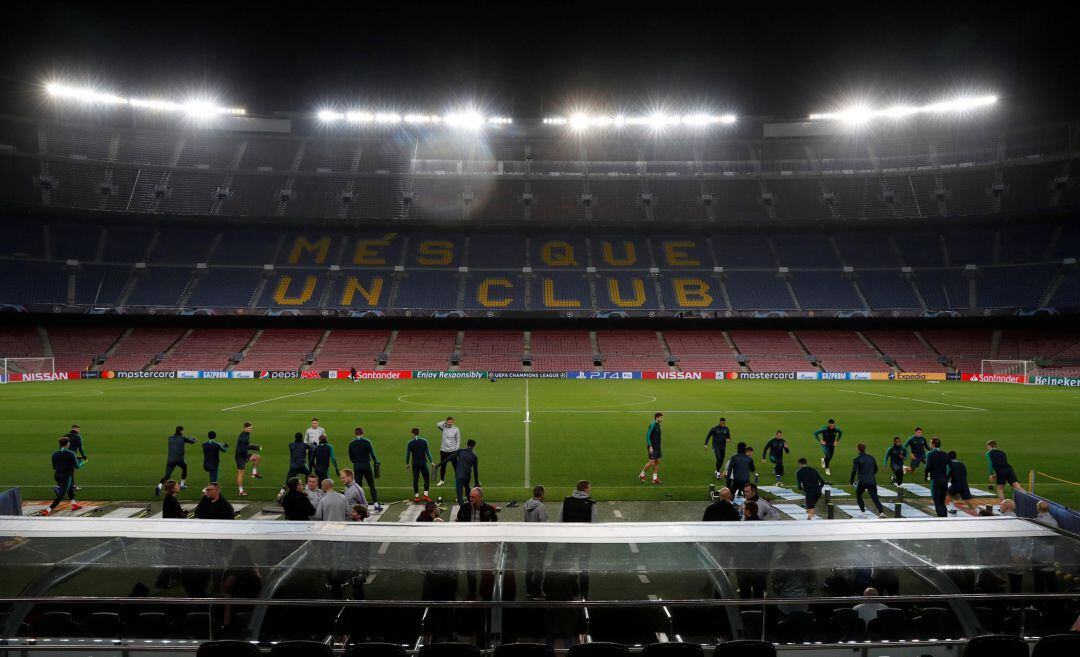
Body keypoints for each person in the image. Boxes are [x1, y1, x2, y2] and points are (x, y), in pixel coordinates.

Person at [42, 436, 85, 515]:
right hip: (66, 476)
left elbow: (54, 467)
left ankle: (74, 504)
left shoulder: (55, 454)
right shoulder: (71, 453)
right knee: (61, 496)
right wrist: (82, 462)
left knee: (70, 487)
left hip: (57, 476)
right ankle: (47, 510)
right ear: (67, 444)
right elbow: (77, 466)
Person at [772, 543, 816, 615]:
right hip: (802, 598)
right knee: (800, 622)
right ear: (799, 546)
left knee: (786, 623)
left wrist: (782, 592)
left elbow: (776, 583)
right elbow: (813, 583)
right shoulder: (806, 559)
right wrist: (805, 591)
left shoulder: (782, 559)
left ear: (788, 545)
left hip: (786, 599)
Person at [523, 485, 549, 599]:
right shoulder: (541, 507)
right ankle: (537, 591)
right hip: (539, 541)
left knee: (529, 564)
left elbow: (525, 521)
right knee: (539, 566)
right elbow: (543, 525)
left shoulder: (526, 504)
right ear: (542, 494)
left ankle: (528, 589)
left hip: (530, 539)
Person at [347, 427, 381, 512]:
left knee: (358, 486)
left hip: (357, 465)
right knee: (371, 485)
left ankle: (360, 506)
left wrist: (355, 461)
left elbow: (350, 456)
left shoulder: (351, 443)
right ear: (362, 433)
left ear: (355, 434)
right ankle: (376, 504)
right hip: (366, 465)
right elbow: (372, 454)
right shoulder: (367, 442)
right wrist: (376, 462)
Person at [438, 439, 480, 507]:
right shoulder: (474, 456)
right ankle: (471, 505)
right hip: (467, 476)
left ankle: (463, 509)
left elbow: (449, 458)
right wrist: (476, 482)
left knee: (459, 495)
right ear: (474, 446)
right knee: (467, 489)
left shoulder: (460, 451)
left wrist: (439, 465)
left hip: (459, 475)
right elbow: (475, 470)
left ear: (467, 444)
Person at [156, 426, 196, 495]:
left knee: (167, 476)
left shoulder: (170, 438)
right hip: (179, 459)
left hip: (170, 459)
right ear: (181, 431)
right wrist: (194, 439)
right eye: (183, 431)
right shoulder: (183, 438)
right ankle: (182, 484)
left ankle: (159, 486)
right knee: (184, 468)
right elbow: (192, 442)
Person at [850, 443, 886, 518]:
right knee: (875, 498)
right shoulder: (871, 458)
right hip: (872, 481)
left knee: (859, 495)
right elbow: (876, 469)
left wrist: (851, 481)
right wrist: (871, 475)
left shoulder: (857, 459)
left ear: (858, 450)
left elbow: (854, 471)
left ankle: (863, 513)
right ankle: (881, 512)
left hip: (862, 481)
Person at [234, 422, 262, 498]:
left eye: (251, 428)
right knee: (241, 474)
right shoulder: (244, 437)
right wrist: (246, 458)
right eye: (250, 428)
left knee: (257, 457)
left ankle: (254, 473)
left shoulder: (245, 435)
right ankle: (241, 491)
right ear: (245, 428)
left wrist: (256, 448)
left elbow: (245, 447)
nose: (251, 429)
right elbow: (243, 449)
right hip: (240, 457)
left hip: (243, 454)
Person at [405, 428, 434, 503]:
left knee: (415, 479)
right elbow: (428, 452)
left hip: (415, 463)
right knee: (426, 478)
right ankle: (425, 495)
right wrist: (431, 462)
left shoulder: (410, 443)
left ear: (412, 433)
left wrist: (407, 463)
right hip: (423, 463)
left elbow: (408, 455)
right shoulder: (424, 441)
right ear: (419, 433)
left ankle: (417, 497)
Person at [925, 437, 950, 518]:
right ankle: (945, 519)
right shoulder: (946, 454)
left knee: (937, 502)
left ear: (933, 444)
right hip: (944, 481)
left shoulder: (930, 454)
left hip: (935, 480)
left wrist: (926, 476)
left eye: (930, 443)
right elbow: (952, 466)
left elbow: (928, 467)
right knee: (942, 502)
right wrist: (947, 476)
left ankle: (941, 520)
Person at [946, 451, 976, 515]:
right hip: (964, 484)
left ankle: (953, 509)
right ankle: (978, 512)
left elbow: (948, 475)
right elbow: (965, 474)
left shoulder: (949, 465)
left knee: (948, 493)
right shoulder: (962, 464)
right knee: (968, 500)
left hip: (956, 484)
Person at [435, 417, 461, 486]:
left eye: (451, 422)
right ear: (447, 422)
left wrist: (456, 450)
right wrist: (445, 422)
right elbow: (438, 424)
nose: (450, 423)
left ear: (453, 422)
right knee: (443, 466)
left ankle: (458, 479)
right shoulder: (444, 427)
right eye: (449, 422)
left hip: (452, 451)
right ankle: (442, 480)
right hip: (443, 450)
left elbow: (458, 439)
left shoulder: (456, 429)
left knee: (456, 466)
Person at [639, 412, 663, 484]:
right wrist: (650, 446)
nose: (662, 419)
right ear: (657, 417)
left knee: (657, 462)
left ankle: (654, 478)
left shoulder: (658, 424)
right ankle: (642, 474)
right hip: (652, 447)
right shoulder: (652, 425)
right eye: (661, 417)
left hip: (658, 447)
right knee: (651, 462)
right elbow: (647, 436)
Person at [64, 424, 87, 490]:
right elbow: (80, 448)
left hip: (64, 455)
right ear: (77, 429)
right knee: (71, 470)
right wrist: (83, 456)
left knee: (65, 470)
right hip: (72, 456)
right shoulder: (77, 437)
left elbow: (61, 447)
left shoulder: (65, 436)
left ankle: (65, 485)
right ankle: (71, 486)